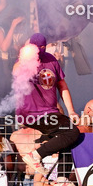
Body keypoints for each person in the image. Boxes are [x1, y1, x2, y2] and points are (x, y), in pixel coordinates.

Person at [15, 33, 80, 174]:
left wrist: (71, 111)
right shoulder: (25, 60)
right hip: (32, 113)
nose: (39, 50)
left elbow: (62, 86)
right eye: (36, 48)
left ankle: (62, 179)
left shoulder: (51, 60)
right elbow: (15, 72)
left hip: (50, 112)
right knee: (71, 131)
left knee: (67, 136)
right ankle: (35, 156)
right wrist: (24, 61)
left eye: (42, 47)